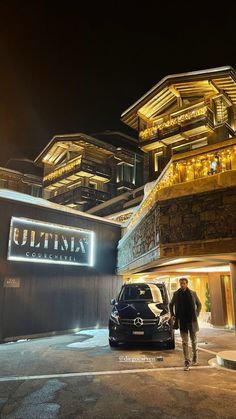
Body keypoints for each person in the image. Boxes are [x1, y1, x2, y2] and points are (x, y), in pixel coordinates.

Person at [169, 277, 202, 371]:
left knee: (194, 341)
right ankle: (187, 362)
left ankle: (195, 357)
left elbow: (199, 304)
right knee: (184, 342)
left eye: (184, 283)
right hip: (182, 321)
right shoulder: (176, 294)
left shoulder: (193, 293)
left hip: (192, 321)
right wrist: (173, 314)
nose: (182, 285)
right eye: (181, 283)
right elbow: (171, 304)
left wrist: (197, 314)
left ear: (187, 284)